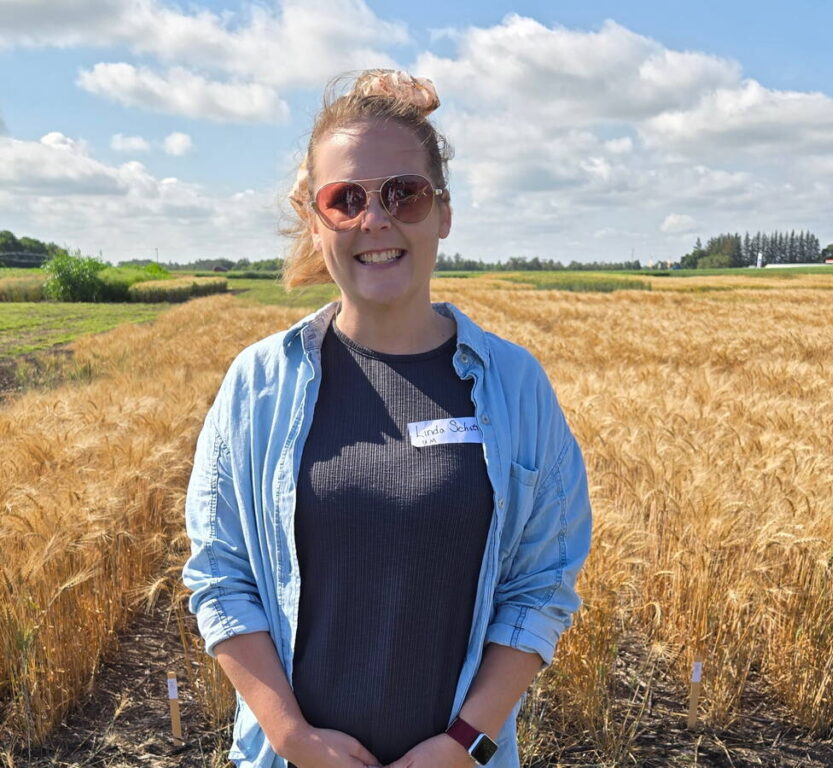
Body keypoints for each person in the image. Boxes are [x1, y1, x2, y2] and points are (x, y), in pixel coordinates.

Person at [181, 69, 592, 768]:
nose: (377, 220)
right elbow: (222, 577)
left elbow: (540, 585)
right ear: (317, 223)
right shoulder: (258, 385)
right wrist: (293, 739)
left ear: (444, 212)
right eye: (346, 200)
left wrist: (464, 745)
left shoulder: (516, 386)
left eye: (405, 194)